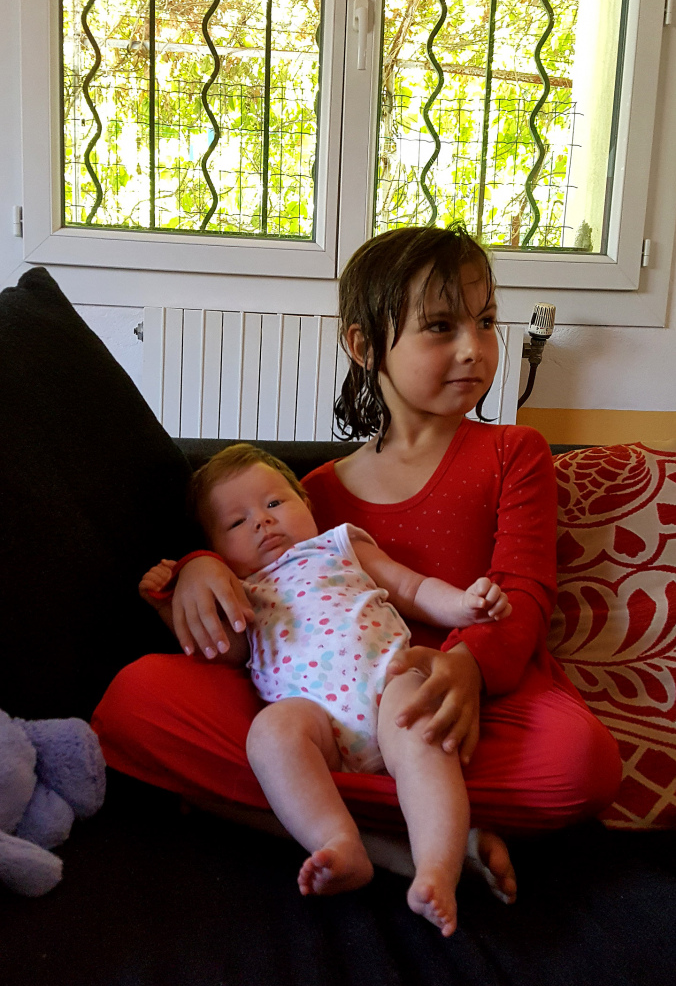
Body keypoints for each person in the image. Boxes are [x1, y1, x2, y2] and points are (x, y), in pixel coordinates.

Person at [92, 224, 622, 911]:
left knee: (582, 762)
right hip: (324, 711)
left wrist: (467, 667)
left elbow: (524, 590)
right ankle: (403, 840)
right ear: (365, 345)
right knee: (133, 702)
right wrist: (197, 564)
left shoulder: (514, 452)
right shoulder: (312, 493)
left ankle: (283, 809)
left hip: (473, 702)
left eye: (486, 321)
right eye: (441, 326)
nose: (474, 347)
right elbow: (265, 575)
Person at [140, 443, 512, 935]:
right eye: (236, 523)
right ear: (215, 547)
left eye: (274, 503)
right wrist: (168, 609)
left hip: (389, 684)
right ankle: (338, 842)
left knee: (420, 725)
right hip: (315, 723)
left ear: (306, 504)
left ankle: (436, 869)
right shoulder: (241, 588)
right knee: (269, 734)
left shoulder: (337, 546)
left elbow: (412, 588)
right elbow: (221, 649)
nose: (261, 522)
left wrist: (463, 605)